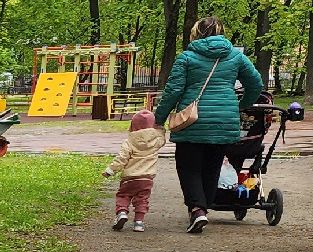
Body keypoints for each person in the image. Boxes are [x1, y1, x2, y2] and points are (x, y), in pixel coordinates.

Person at [155, 16, 264, 234]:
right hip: (224, 119)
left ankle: (197, 209)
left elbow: (173, 90)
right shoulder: (235, 56)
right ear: (221, 32)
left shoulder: (186, 57)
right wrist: (241, 105)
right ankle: (202, 209)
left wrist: (159, 118)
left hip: (192, 121)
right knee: (212, 166)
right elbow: (256, 83)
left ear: (196, 33)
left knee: (188, 167)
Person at [104, 107, 163, 232]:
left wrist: (110, 170)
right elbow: (162, 138)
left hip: (129, 178)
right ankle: (139, 222)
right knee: (142, 199)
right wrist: (160, 129)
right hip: (147, 178)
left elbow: (122, 158)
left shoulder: (129, 141)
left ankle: (122, 213)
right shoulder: (156, 140)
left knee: (123, 195)